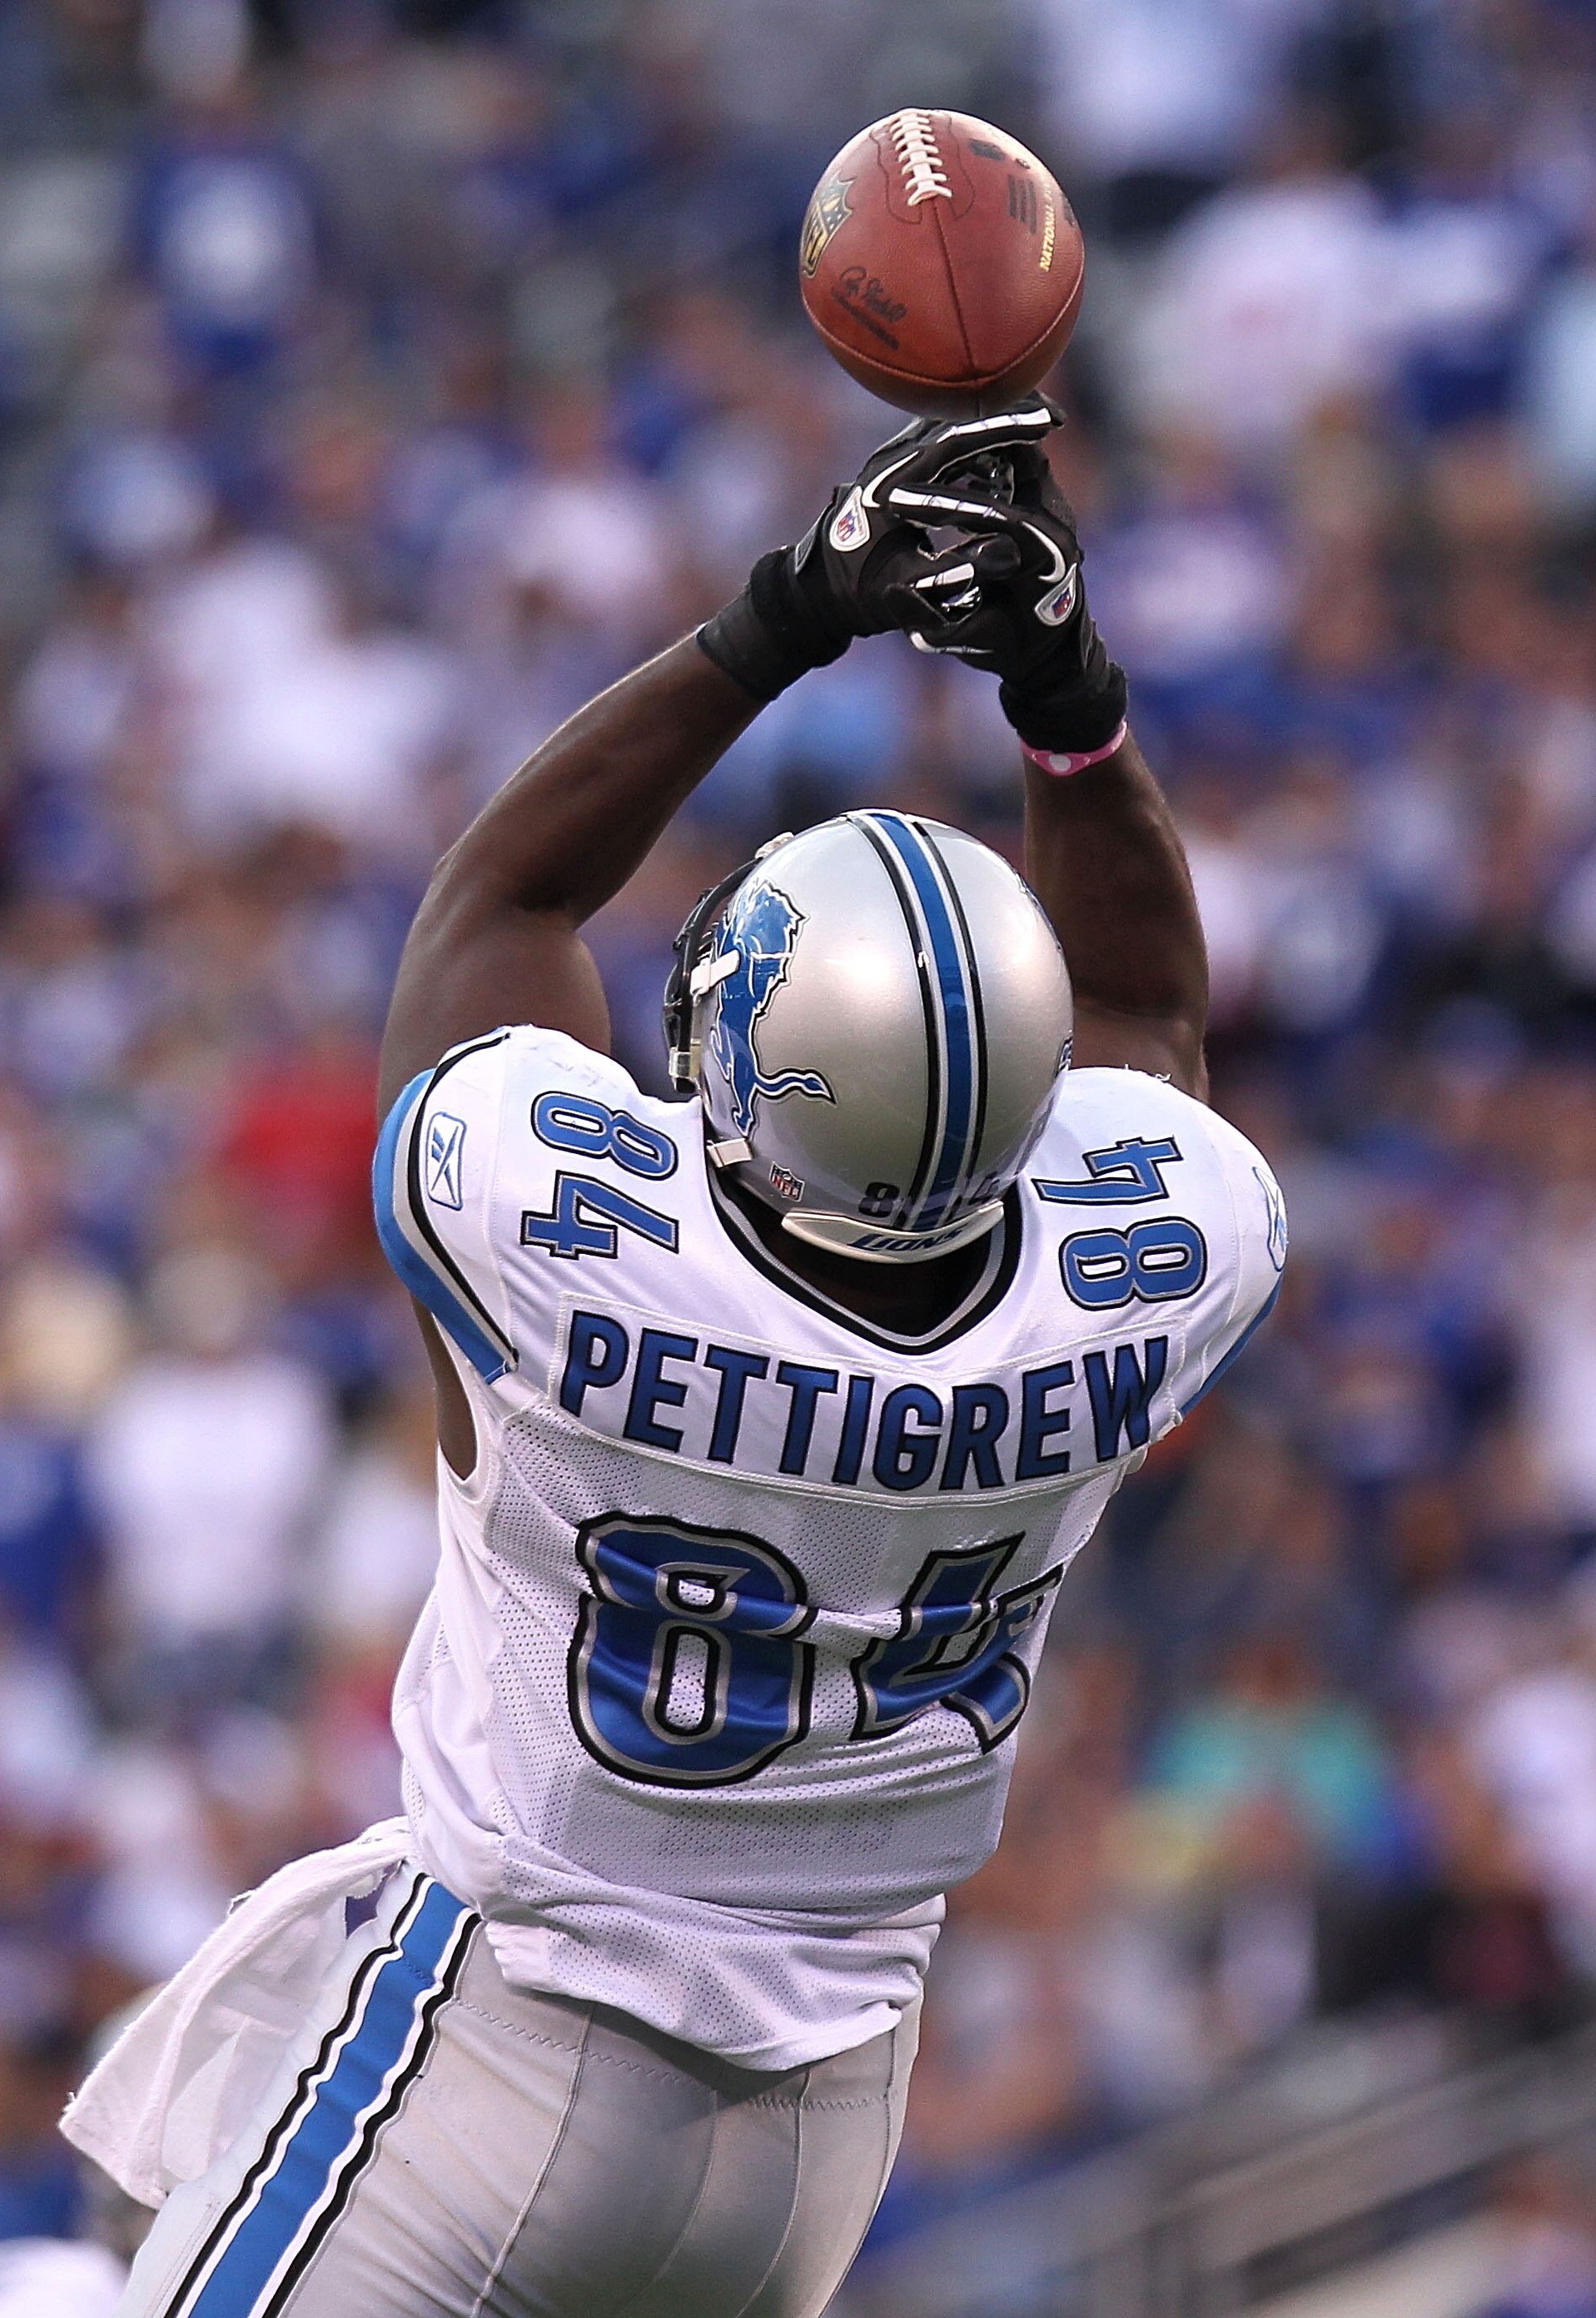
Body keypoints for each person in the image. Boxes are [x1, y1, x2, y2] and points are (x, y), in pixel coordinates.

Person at [72, 401, 1286, 2317]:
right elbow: (1145, 997)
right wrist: (1065, 695)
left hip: (510, 2063)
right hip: (824, 2121)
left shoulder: (574, 1260)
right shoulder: (1137, 1274)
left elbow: (506, 902)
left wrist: (785, 611)